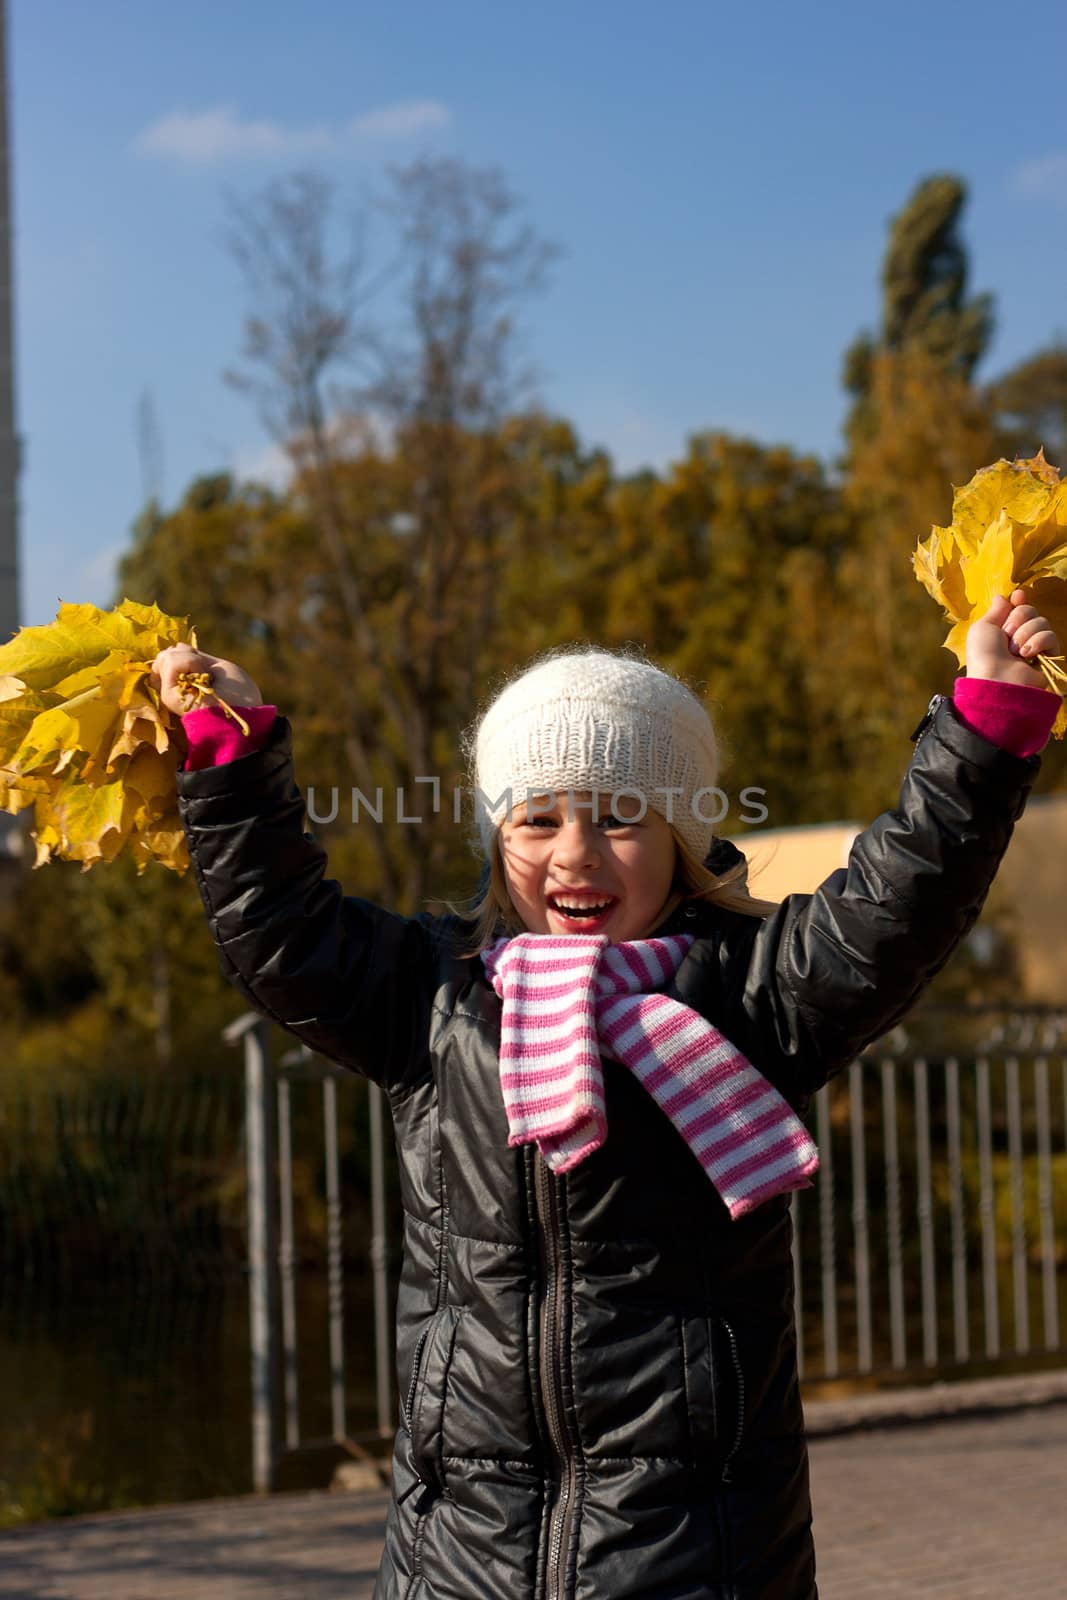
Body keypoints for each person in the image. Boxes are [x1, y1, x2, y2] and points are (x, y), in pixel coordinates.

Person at [154, 589, 1061, 1600]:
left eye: (619, 817)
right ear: (499, 838)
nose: (574, 854)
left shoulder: (753, 988)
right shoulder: (435, 990)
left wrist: (983, 724)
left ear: (679, 834)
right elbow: (282, 930)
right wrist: (229, 755)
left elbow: (900, 901)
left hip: (696, 1555)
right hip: (461, 1556)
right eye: (536, 819)